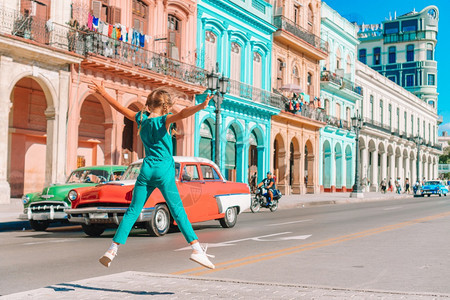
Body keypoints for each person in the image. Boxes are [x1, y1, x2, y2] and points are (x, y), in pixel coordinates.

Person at [88, 81, 215, 269]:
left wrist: (104, 92)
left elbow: (121, 109)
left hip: (146, 168)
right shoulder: (164, 120)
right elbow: (183, 114)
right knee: (177, 211)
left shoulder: (141, 119)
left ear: (150, 104)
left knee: (132, 211)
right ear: (166, 106)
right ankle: (196, 249)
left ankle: (112, 250)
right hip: (163, 169)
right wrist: (201, 106)